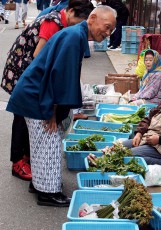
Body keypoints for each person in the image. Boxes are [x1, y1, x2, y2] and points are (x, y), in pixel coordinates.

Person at [6, 5, 116, 207]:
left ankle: (38, 185)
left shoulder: (76, 34)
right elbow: (59, 75)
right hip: (38, 96)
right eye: (107, 27)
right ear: (92, 18)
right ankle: (48, 193)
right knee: (48, 144)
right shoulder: (74, 36)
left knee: (41, 145)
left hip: (36, 93)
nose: (108, 33)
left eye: (111, 30)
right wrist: (53, 111)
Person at [1, 0, 94, 182]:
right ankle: (18, 162)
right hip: (25, 71)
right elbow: (39, 54)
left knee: (32, 119)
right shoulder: (54, 22)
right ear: (71, 11)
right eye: (79, 19)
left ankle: (28, 158)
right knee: (22, 116)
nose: (80, 24)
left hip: (33, 72)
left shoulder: (67, 26)